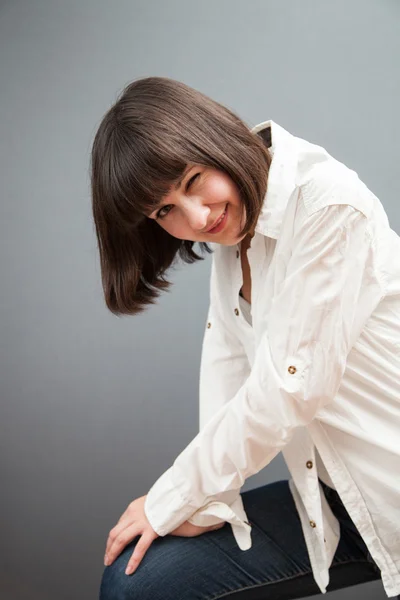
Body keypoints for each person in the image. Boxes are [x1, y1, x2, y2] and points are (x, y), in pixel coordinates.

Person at [91, 76, 400, 599]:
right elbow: (227, 375)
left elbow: (288, 388)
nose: (198, 218)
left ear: (215, 141)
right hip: (334, 493)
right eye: (164, 211)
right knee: (137, 584)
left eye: (193, 181)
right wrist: (206, 501)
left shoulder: (327, 205)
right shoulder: (237, 235)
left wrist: (173, 495)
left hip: (389, 489)